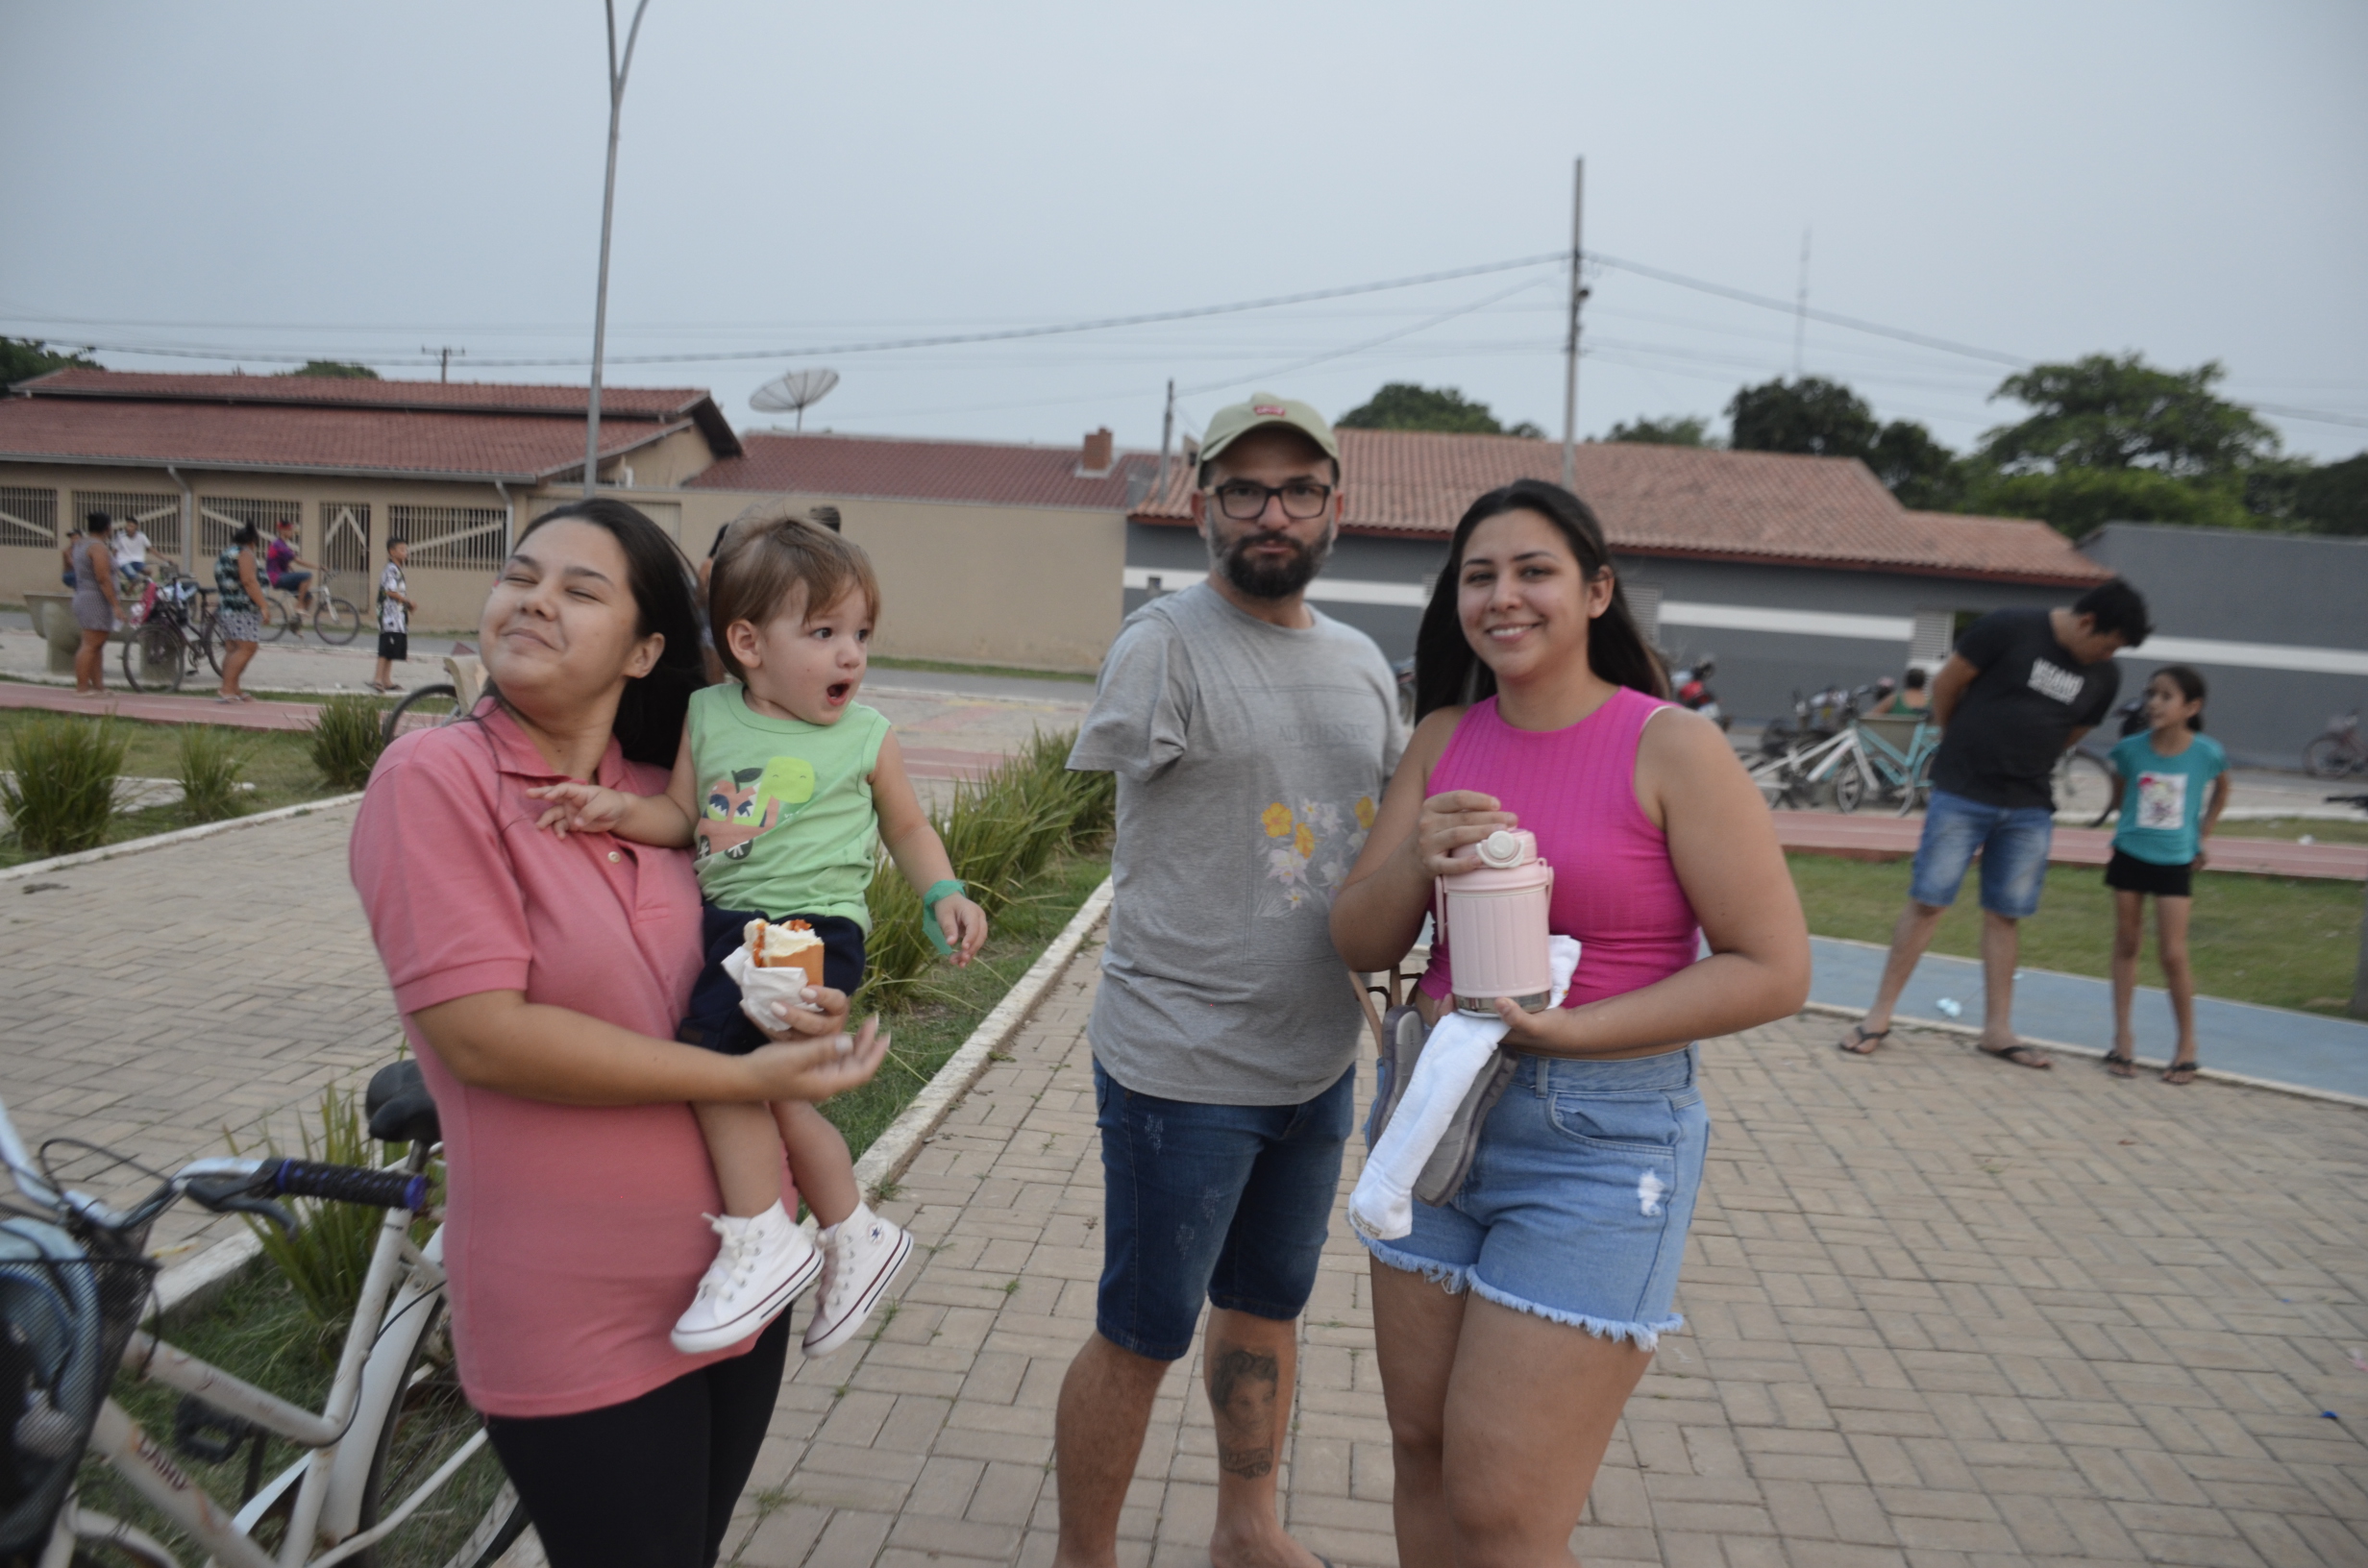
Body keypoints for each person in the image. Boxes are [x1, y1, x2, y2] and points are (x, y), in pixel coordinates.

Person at [350, 499, 890, 1568]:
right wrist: (734, 1078)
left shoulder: (664, 799)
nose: (535, 600)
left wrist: (804, 1000)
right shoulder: (438, 780)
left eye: (580, 589)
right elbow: (484, 1038)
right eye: (521, 576)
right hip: (577, 1308)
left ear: (649, 649)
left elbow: (744, 949)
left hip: (743, 1280)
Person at [1329, 478, 1808, 1568]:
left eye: (1533, 571)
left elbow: (1774, 970)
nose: (1504, 596)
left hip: (1599, 1141)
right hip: (1436, 1124)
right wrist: (1415, 857)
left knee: (1501, 1505)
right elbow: (1355, 941)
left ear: (1595, 591)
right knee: (1421, 1449)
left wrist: (1575, 1036)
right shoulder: (1445, 736)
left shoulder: (1670, 746)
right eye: (1479, 575)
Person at [1054, 393, 1402, 1568]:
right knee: (1142, 1329)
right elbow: (1099, 813)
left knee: (1268, 1308)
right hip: (1180, 1069)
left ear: (1333, 508)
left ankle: (1247, 1528)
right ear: (1203, 506)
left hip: (1316, 1062)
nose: (1271, 512)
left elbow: (1374, 840)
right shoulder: (1160, 645)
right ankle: (1083, 1557)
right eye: (1243, 489)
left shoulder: (1360, 664)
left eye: (1297, 489)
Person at [526, 508, 985, 1360]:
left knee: (718, 1062)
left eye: (860, 633)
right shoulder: (709, 715)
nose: (851, 653)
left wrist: (943, 891)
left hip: (812, 927)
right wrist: (615, 810)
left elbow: (910, 830)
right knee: (771, 1085)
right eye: (823, 631)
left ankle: (761, 1235)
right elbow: (680, 817)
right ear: (746, 642)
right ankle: (851, 1229)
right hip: (731, 922)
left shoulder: (867, 736)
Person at [1838, 580, 2152, 1066]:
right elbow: (1947, 686)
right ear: (2087, 622)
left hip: (2028, 804)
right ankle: (1878, 1015)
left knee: (2006, 912)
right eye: (2105, 643)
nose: (2105, 656)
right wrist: (1958, 740)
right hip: (1963, 791)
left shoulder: (2104, 675)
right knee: (1928, 902)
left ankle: (1998, 1030)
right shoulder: (2009, 627)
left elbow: (2076, 730)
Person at [2103, 665, 2227, 1086]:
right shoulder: (2130, 749)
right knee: (2127, 943)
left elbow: (2223, 787)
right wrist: (2126, 824)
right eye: (2151, 694)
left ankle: (2186, 1046)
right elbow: (2120, 788)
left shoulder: (2206, 753)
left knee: (2173, 953)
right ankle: (2122, 1039)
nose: (2154, 703)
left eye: (2166, 696)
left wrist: (2201, 836)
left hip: (2175, 861)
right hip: (2130, 856)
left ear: (2191, 707)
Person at [68, 511, 122, 696]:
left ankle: (98, 685)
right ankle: (82, 687)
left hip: (86, 595)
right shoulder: (97, 548)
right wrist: (115, 604)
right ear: (107, 528)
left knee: (97, 644)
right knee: (90, 644)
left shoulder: (81, 544)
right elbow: (102, 577)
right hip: (95, 598)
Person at [213, 523, 266, 703]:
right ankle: (227, 688)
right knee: (247, 647)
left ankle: (233, 687)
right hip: (241, 610)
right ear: (253, 541)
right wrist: (264, 606)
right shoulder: (245, 554)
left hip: (227, 608)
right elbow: (249, 581)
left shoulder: (227, 554)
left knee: (233, 649)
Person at [371, 537, 415, 693]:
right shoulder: (391, 569)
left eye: (406, 549)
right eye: (402, 549)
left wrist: (406, 605)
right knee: (385, 648)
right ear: (392, 552)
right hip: (389, 617)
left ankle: (386, 680)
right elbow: (390, 591)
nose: (406, 552)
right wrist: (407, 601)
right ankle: (377, 679)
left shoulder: (398, 570)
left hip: (397, 617)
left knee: (391, 649)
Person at [265, 516, 318, 612]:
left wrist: (291, 571)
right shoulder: (279, 545)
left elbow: (281, 561)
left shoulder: (282, 544)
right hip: (277, 577)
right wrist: (318, 567)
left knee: (309, 598)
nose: (292, 532)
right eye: (289, 530)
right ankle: (298, 605)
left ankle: (295, 622)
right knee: (307, 575)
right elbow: (298, 561)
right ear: (282, 531)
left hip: (283, 575)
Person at [110, 515, 153, 580]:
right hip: (123, 561)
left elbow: (151, 549)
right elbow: (114, 551)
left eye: (131, 526)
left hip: (137, 560)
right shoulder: (120, 536)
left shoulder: (141, 536)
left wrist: (165, 558)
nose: (128, 528)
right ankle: (129, 590)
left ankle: (147, 589)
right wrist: (113, 565)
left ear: (136, 527)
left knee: (148, 572)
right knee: (134, 578)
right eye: (127, 526)